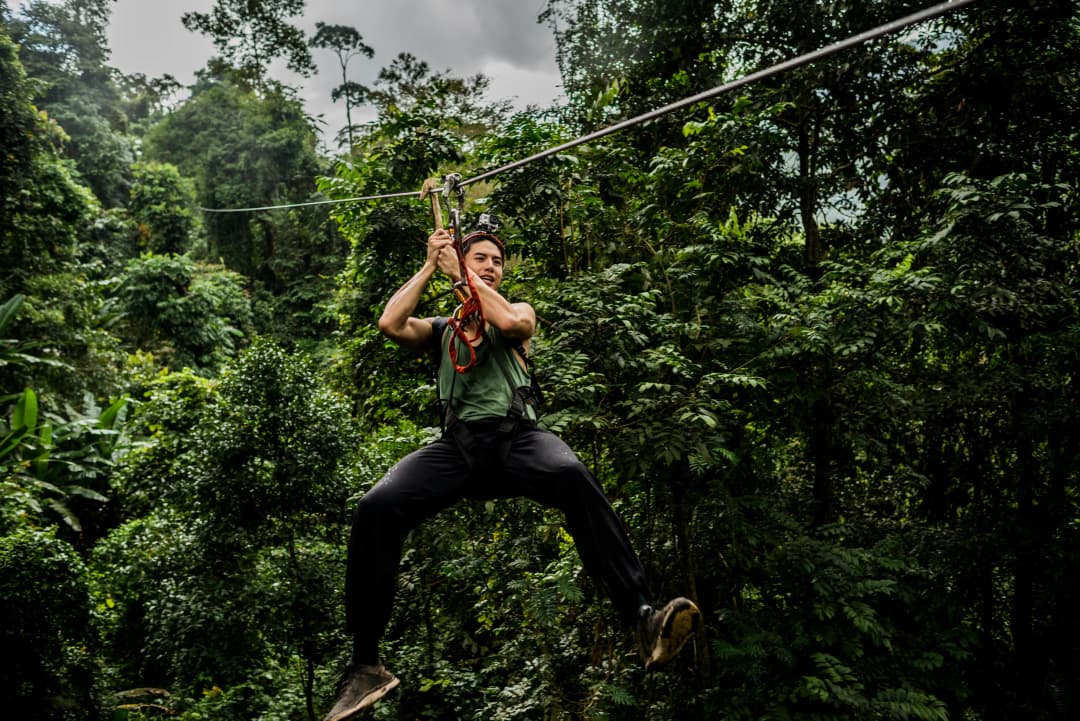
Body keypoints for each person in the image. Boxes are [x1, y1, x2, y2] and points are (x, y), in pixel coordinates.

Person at [323, 227, 701, 721]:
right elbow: (390, 323)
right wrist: (431, 265)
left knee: (571, 475)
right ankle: (365, 665)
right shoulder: (442, 329)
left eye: (496, 262)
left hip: (518, 438)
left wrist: (461, 275)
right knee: (376, 507)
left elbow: (511, 321)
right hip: (458, 449)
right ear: (462, 262)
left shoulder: (515, 311)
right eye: (479, 258)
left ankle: (641, 616)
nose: (490, 266)